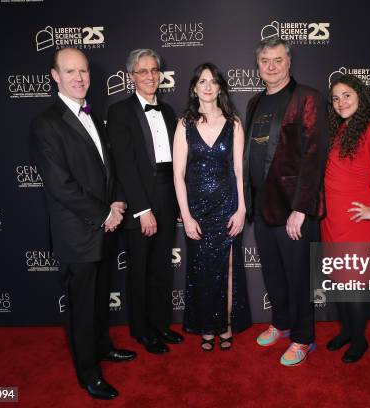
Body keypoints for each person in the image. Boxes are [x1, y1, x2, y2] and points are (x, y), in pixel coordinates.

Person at [29, 48, 135, 400]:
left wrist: (117, 199)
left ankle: (103, 347)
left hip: (104, 228)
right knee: (82, 307)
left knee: (100, 299)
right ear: (55, 76)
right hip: (78, 233)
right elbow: (61, 186)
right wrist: (105, 213)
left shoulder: (94, 114)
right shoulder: (47, 124)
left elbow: (108, 169)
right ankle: (88, 374)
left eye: (84, 72)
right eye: (70, 72)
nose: (79, 78)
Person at [244, 37, 328, 366]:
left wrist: (301, 209)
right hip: (262, 207)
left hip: (294, 209)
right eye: (265, 61)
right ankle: (281, 323)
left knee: (298, 277)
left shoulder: (307, 97)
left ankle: (304, 338)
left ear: (289, 62)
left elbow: (314, 156)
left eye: (278, 60)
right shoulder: (253, 103)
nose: (272, 66)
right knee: (274, 274)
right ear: (258, 66)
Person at [107, 49, 183, 355]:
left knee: (162, 266)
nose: (150, 76)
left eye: (154, 70)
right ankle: (142, 330)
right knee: (140, 269)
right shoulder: (120, 112)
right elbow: (124, 165)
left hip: (167, 195)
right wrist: (142, 210)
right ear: (131, 77)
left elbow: (175, 164)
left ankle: (161, 323)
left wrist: (177, 205)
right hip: (142, 201)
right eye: (143, 71)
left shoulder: (167, 112)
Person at [321, 74, 370, 363]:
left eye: (347, 96)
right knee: (341, 284)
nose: (340, 102)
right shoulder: (341, 129)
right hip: (333, 220)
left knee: (354, 285)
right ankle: (346, 331)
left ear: (360, 97)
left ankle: (359, 340)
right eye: (336, 97)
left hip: (358, 222)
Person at [173, 63, 252, 351]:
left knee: (228, 269)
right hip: (198, 211)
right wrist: (186, 215)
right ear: (194, 87)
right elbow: (178, 175)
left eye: (213, 81)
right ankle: (207, 326)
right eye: (202, 81)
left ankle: (227, 325)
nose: (207, 86)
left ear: (220, 87)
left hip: (228, 205)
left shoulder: (234, 123)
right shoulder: (184, 124)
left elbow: (239, 170)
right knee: (201, 271)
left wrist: (242, 208)